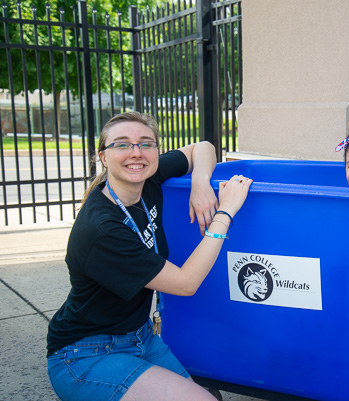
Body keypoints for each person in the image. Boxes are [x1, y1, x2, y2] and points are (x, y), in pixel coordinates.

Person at [46, 112, 252, 401]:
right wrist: (225, 212)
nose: (136, 152)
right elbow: (185, 283)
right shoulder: (102, 228)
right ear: (103, 157)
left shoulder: (148, 180)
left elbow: (202, 147)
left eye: (146, 144)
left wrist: (201, 182)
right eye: (122, 145)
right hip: (85, 355)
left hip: (140, 338)